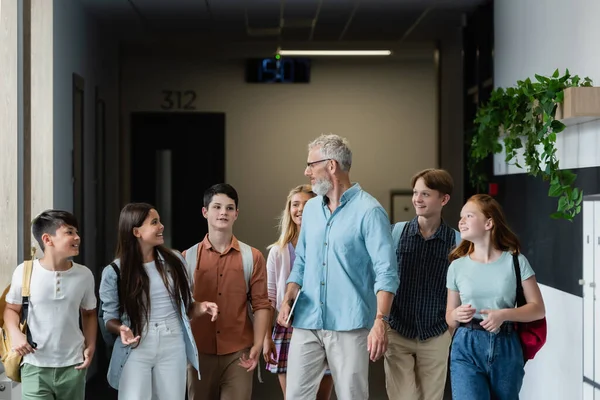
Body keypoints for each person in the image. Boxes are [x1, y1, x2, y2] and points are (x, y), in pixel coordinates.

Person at [277, 134, 400, 400]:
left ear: (331, 166)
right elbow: (302, 259)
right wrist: (289, 295)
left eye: (311, 164)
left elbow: (386, 272)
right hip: (307, 320)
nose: (306, 171)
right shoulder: (310, 210)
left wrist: (381, 321)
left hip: (349, 325)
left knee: (351, 396)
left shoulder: (370, 211)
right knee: (295, 396)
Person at [99, 203, 218, 399]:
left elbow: (187, 307)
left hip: (173, 341)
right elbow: (109, 318)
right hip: (137, 344)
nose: (161, 226)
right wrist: (120, 328)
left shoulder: (176, 260)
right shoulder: (115, 271)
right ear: (136, 231)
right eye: (154, 222)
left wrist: (202, 307)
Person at [446, 194, 546, 399]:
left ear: (489, 223)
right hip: (465, 345)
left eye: (469, 216)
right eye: (460, 216)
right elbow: (449, 317)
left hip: (507, 345)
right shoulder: (456, 266)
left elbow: (538, 309)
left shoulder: (516, 261)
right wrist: (456, 313)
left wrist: (503, 315)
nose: (461, 221)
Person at [184, 183, 271, 400]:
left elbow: (261, 305)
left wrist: (258, 345)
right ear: (205, 212)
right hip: (198, 353)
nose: (223, 212)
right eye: (217, 207)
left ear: (236, 214)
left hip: (238, 353)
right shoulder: (187, 258)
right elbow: (181, 306)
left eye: (230, 208)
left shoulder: (253, 257)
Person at [4, 210, 96, 400]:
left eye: (76, 232)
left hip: (73, 366)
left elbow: (89, 313)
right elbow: (11, 309)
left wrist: (91, 345)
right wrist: (15, 334)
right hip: (34, 366)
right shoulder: (24, 271)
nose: (77, 237)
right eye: (69, 232)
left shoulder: (84, 274)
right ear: (48, 239)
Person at [385, 169, 459, 400]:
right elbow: (382, 276)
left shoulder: (457, 242)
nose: (417, 199)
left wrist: (449, 329)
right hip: (398, 330)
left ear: (444, 199)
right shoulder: (396, 233)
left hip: (436, 334)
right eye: (415, 193)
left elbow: (462, 287)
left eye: (425, 194)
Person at [263, 184, 334, 400]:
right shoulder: (278, 251)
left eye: (306, 203)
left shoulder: (328, 245)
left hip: (322, 325)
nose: (300, 209)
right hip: (287, 329)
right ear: (289, 210)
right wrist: (266, 337)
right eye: (295, 204)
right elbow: (269, 298)